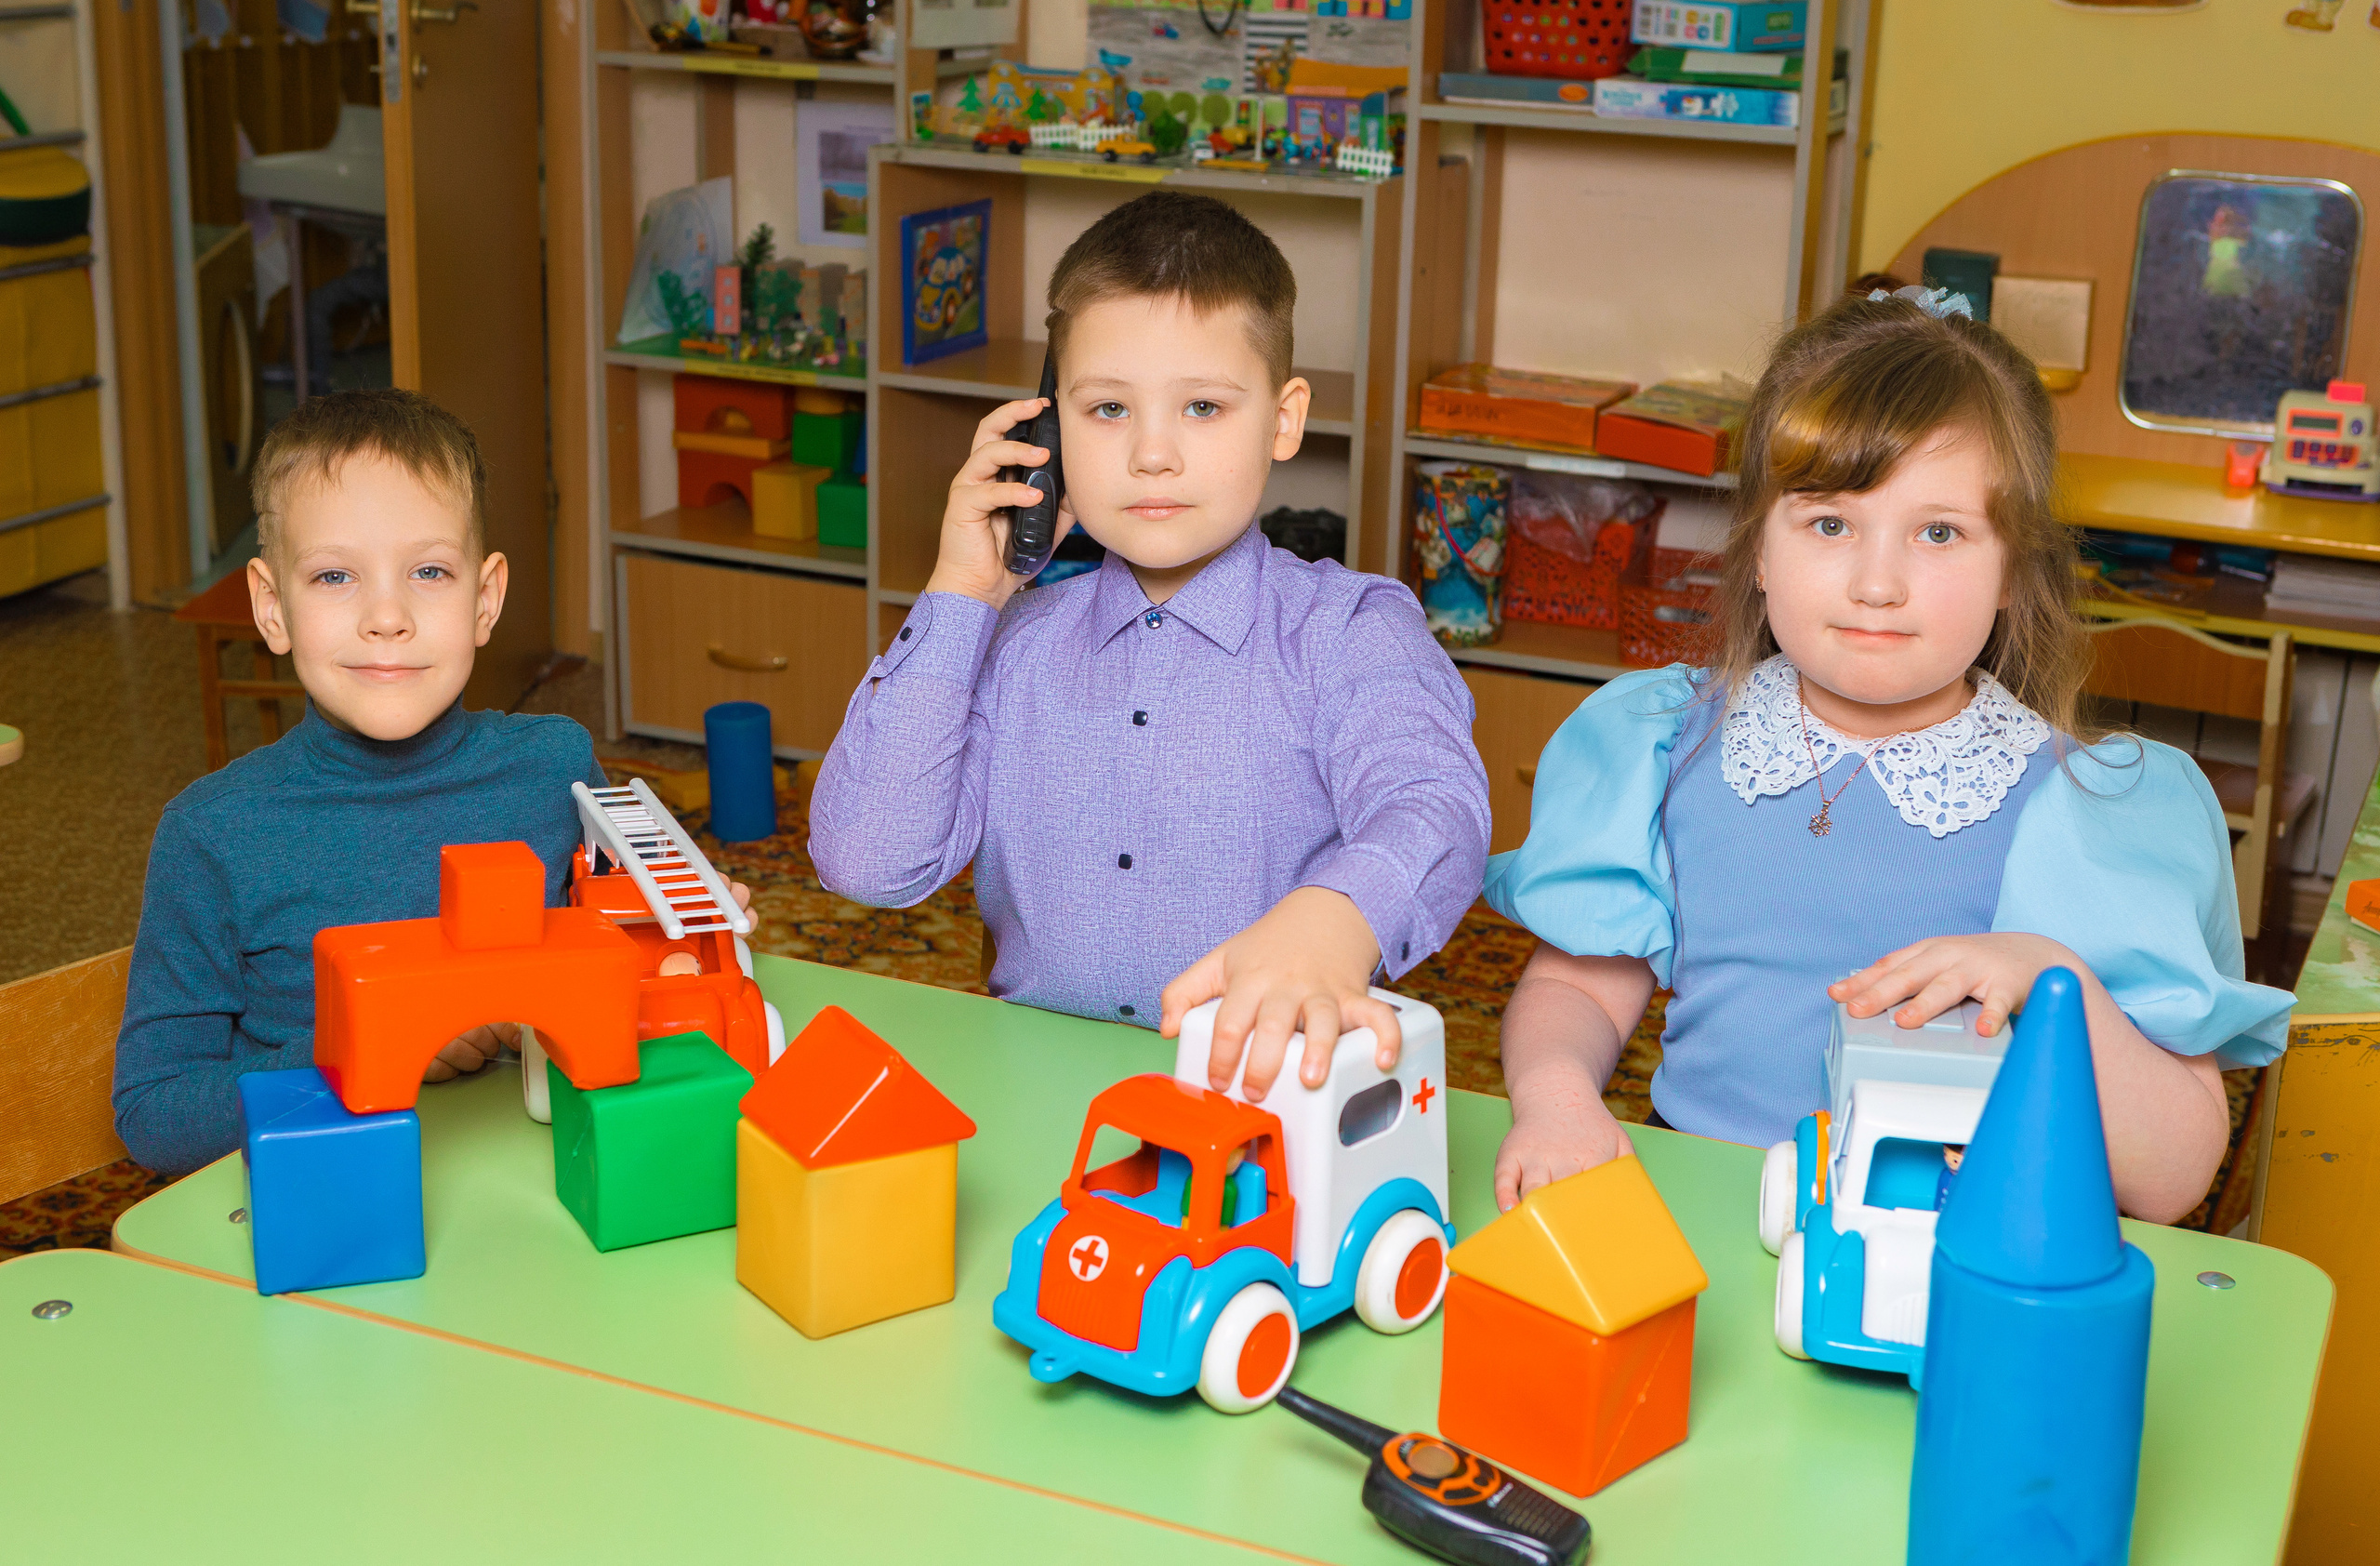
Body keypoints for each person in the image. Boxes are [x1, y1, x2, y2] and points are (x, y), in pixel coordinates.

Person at [1485, 285, 2292, 1224]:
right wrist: (1554, 1097)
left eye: (1939, 533)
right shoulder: (1664, 740)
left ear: (2010, 572)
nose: (1877, 583)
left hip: (1939, 1262)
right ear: (1756, 551)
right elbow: (1581, 981)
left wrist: (2047, 978)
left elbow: (2173, 1173)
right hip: (1694, 1226)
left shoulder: (2087, 806)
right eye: (1830, 524)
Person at [810, 192, 1490, 1101]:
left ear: (1283, 421)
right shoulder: (1014, 644)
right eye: (1106, 411)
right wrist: (962, 594)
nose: (1152, 455)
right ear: (1045, 433)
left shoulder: (1350, 633)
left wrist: (1335, 916)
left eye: (1203, 407)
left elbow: (1434, 803)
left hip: (1266, 1111)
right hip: (1039, 1098)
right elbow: (866, 860)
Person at [116, 392, 624, 1174]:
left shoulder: (555, 768)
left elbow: (629, 964)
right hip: (329, 1218)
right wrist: (364, 1037)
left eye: (428, 570)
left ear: (483, 600)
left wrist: (684, 925)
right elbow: (155, 1116)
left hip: (539, 1195)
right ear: (271, 606)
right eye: (333, 576)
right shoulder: (212, 833)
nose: (387, 616)